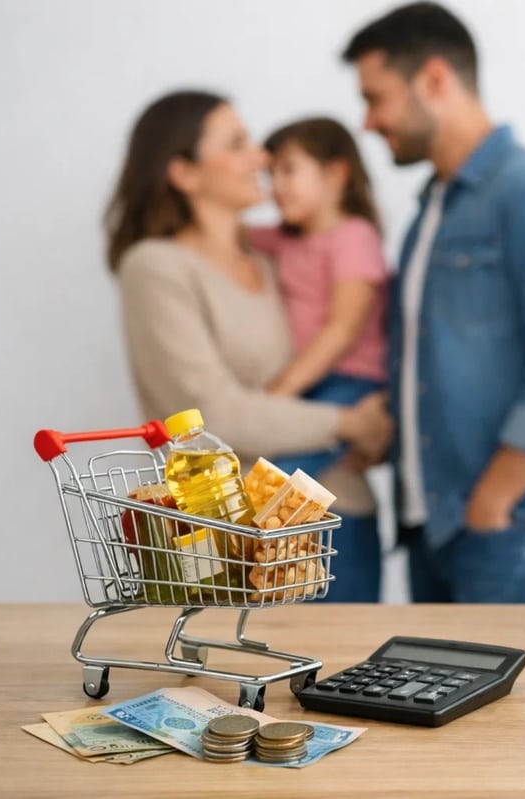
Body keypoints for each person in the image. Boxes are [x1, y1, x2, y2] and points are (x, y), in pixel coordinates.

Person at [342, 2, 525, 603]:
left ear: (434, 80)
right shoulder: (430, 210)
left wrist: (492, 501)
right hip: (432, 529)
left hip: (514, 526)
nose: (368, 121)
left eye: (376, 98)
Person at [104, 90, 393, 602]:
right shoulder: (157, 267)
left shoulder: (272, 263)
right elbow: (209, 416)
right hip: (237, 535)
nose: (260, 157)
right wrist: (350, 423)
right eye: (237, 144)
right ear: (184, 173)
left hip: (341, 517)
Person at [247, 116, 392, 601]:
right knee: (286, 480)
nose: (275, 186)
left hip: (351, 380)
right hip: (316, 381)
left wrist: (278, 395)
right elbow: (228, 233)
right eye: (269, 174)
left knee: (276, 476)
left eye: (288, 170)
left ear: (336, 174)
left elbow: (341, 331)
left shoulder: (354, 236)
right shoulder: (285, 239)